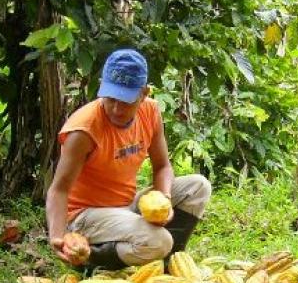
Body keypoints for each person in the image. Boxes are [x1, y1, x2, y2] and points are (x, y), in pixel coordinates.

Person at [46, 49, 212, 270]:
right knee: (159, 240)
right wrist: (57, 236)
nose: (116, 109)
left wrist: (164, 198)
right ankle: (90, 260)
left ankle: (166, 263)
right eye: (111, 98)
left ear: (144, 93)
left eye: (125, 101)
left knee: (198, 187)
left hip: (125, 206)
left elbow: (162, 166)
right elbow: (59, 189)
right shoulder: (84, 130)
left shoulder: (150, 111)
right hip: (85, 216)